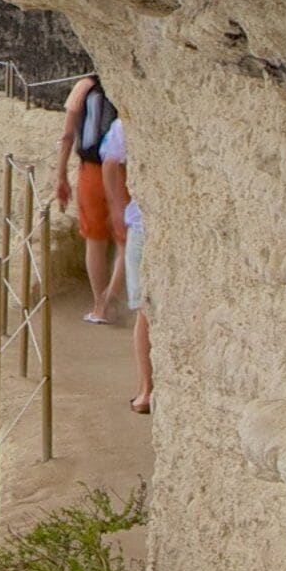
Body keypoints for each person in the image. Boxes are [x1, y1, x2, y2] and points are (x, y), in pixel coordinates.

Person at [53, 74, 121, 321]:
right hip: (123, 170)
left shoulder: (85, 85)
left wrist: (61, 175)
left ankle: (100, 308)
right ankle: (116, 298)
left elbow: (67, 135)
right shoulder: (124, 84)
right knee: (124, 240)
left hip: (92, 170)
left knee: (95, 240)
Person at [104, 113, 152, 412]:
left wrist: (118, 209)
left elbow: (110, 162)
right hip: (145, 221)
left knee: (144, 310)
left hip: (142, 224)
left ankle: (146, 390)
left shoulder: (128, 121)